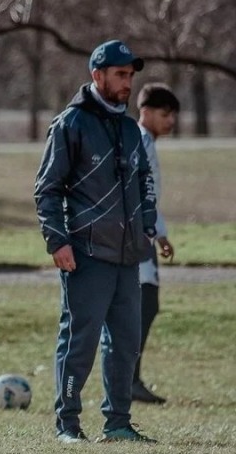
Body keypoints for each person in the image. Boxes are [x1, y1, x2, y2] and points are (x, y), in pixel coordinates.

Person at [34, 39, 158, 444]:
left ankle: (118, 423)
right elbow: (47, 190)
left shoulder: (129, 128)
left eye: (131, 75)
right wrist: (57, 242)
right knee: (80, 342)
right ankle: (67, 424)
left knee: (125, 343)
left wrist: (149, 226)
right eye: (120, 75)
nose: (127, 83)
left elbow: (144, 181)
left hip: (128, 255)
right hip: (85, 254)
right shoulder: (70, 124)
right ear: (97, 75)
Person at [133, 83, 180, 404]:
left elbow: (149, 195)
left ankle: (129, 379)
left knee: (146, 306)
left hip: (146, 234)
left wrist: (161, 233)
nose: (171, 121)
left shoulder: (146, 141)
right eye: (165, 114)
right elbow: (138, 193)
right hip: (136, 238)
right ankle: (128, 380)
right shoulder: (140, 141)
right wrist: (150, 233)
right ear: (146, 112)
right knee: (142, 306)